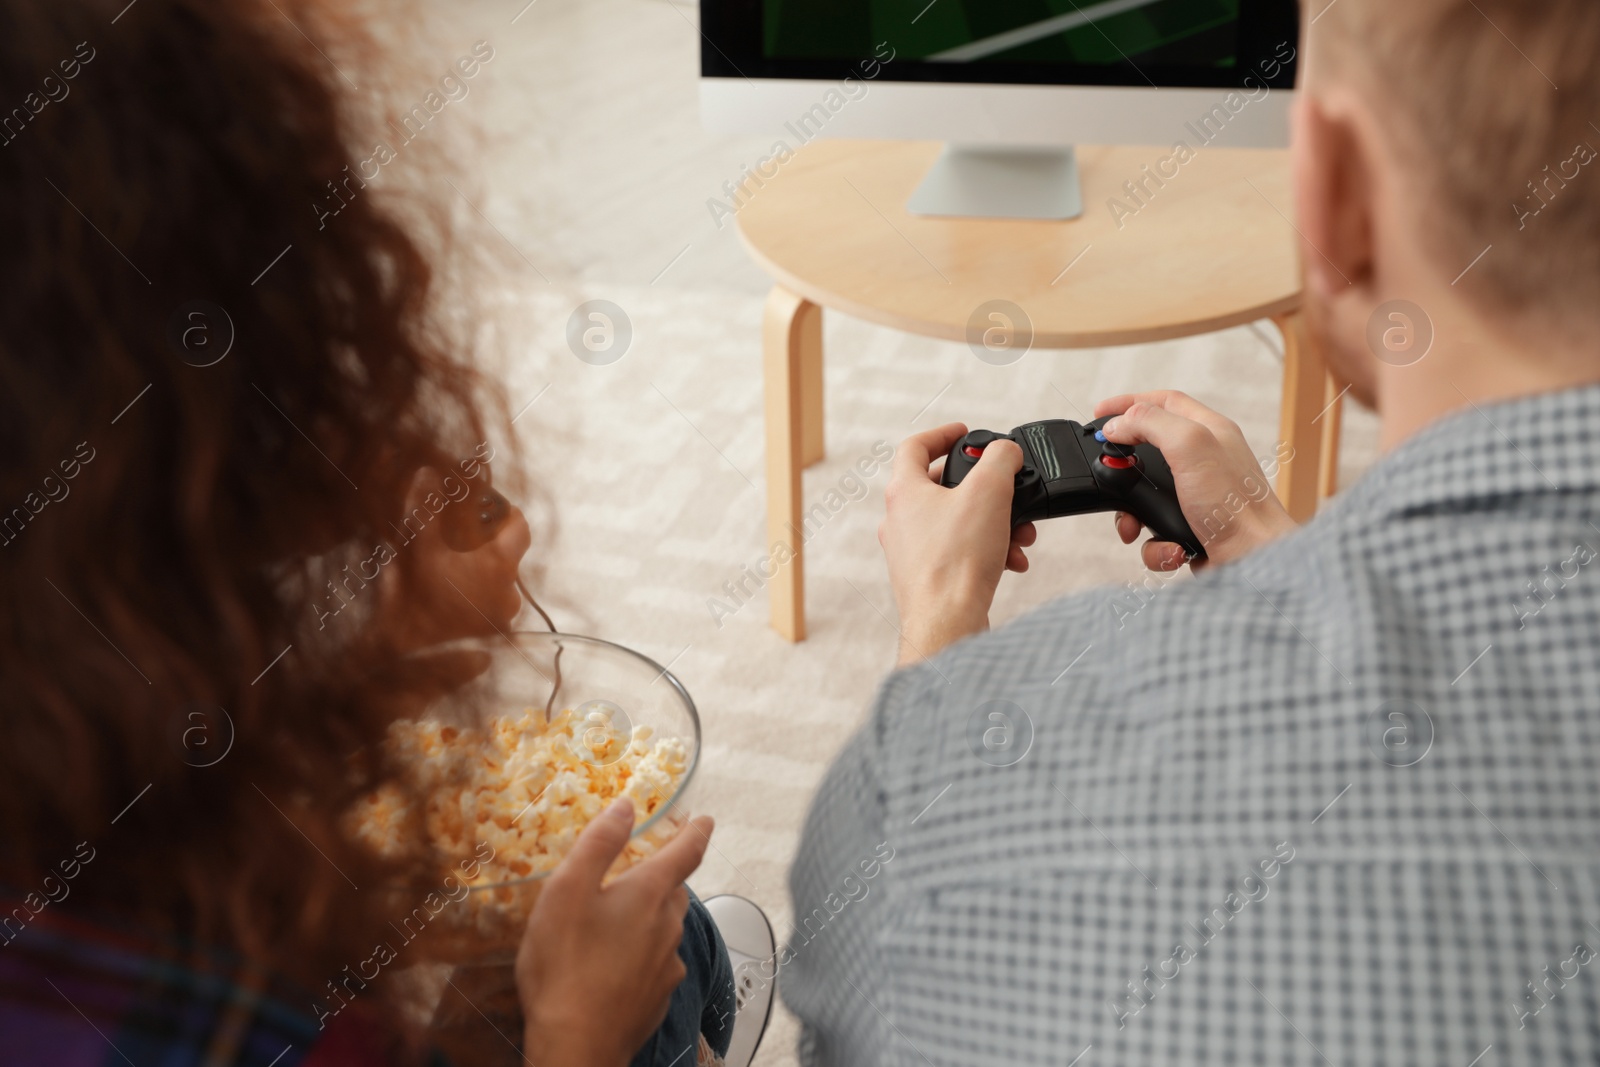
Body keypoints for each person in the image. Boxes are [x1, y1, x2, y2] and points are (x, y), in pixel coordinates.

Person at [784, 0, 1600, 1063]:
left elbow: (860, 1016)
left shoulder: (935, 770)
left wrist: (938, 631)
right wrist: (1268, 540)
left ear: (1334, 193)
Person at [0, 2, 771, 1065]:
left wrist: (382, 656)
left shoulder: (56, 711)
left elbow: (132, 766)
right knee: (651, 948)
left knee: (638, 919)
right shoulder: (193, 1012)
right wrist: (577, 1035)